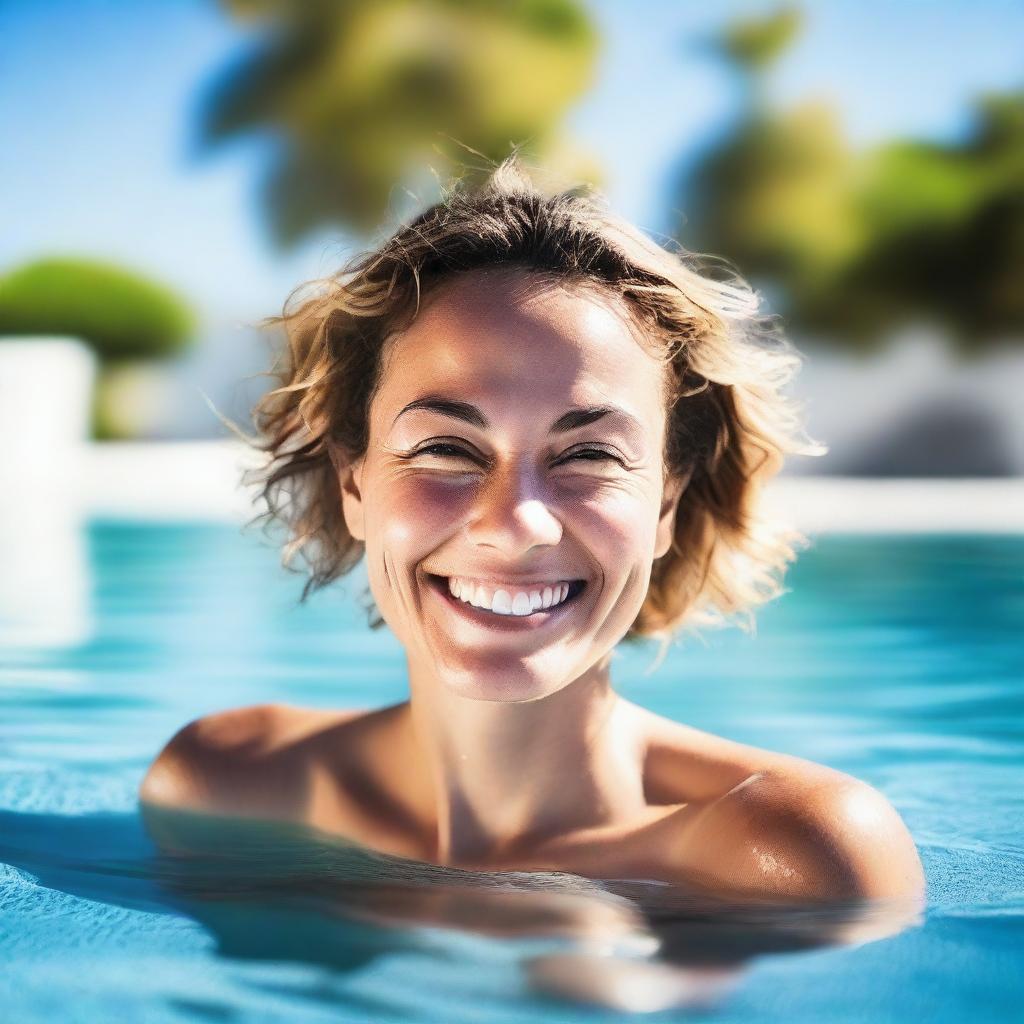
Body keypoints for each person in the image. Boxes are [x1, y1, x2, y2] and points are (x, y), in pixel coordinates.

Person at [139, 154, 926, 906]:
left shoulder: (796, 858)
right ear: (354, 482)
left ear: (665, 505)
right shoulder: (223, 793)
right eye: (446, 449)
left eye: (588, 454)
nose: (515, 525)